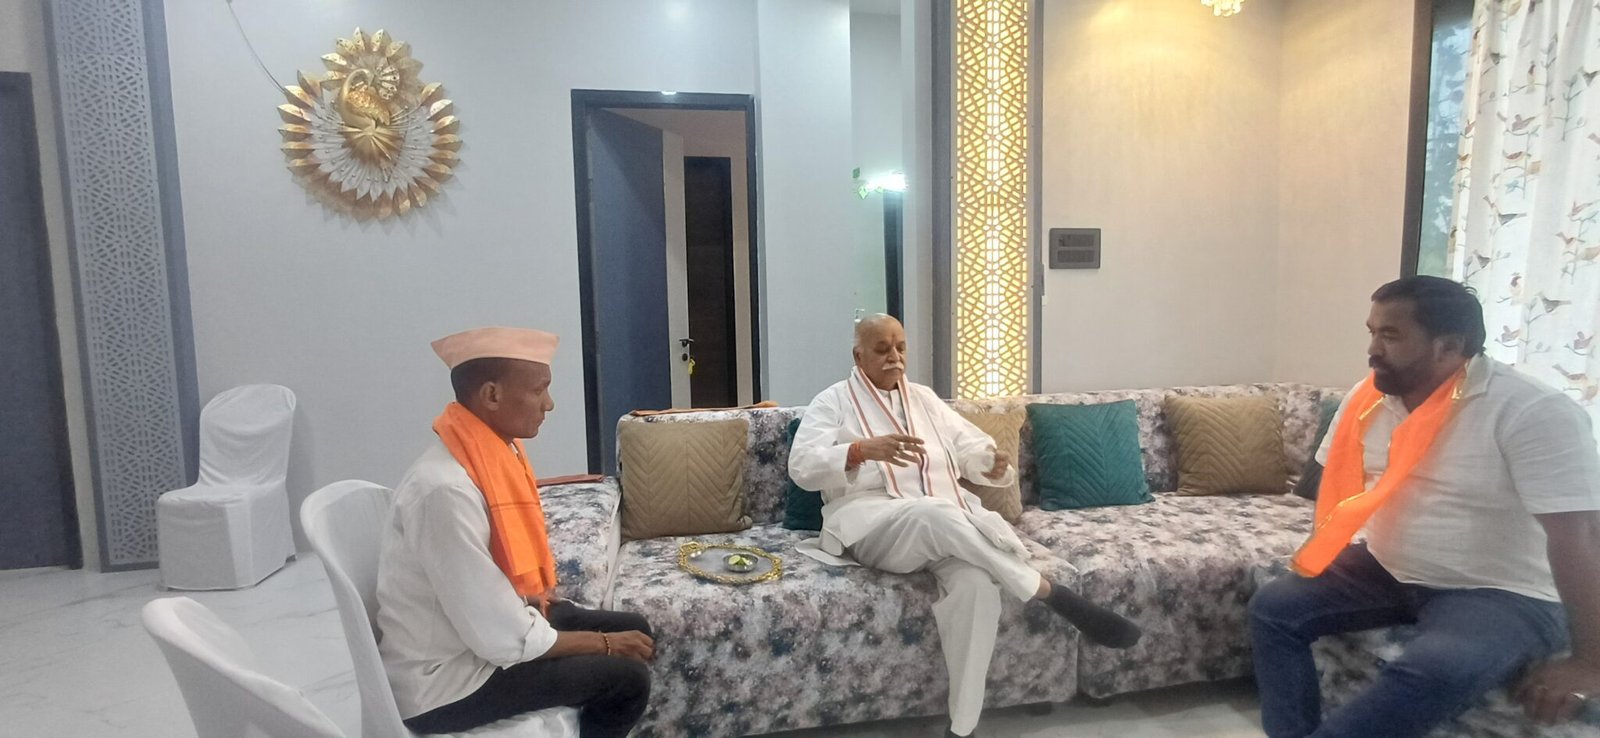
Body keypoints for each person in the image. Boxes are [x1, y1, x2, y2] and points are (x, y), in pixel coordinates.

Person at [1250, 276, 1600, 737]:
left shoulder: (1532, 412)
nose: (1372, 349)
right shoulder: (1367, 399)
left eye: (1390, 335)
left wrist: (1589, 661)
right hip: (1386, 568)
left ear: (1449, 346)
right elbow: (1335, 484)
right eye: (1372, 332)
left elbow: (1580, 536)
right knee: (1273, 607)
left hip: (1500, 591)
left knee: (1435, 666)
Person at [788, 314, 1141, 738]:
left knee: (977, 588)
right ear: (858, 355)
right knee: (933, 513)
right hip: (875, 525)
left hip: (948, 526)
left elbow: (970, 447)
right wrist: (860, 450)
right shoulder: (833, 402)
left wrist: (989, 464)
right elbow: (802, 467)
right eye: (882, 349)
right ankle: (1047, 591)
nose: (894, 356)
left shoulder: (924, 400)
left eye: (900, 347)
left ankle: (962, 727)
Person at [375, 327, 654, 736]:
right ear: (492, 395)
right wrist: (605, 645)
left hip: (479, 635)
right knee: (628, 679)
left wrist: (547, 610)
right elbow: (499, 638)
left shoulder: (488, 455)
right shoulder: (445, 490)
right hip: (447, 683)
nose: (549, 403)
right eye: (540, 390)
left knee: (634, 626)